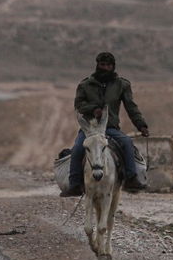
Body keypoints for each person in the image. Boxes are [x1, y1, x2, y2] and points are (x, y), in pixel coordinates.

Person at [60, 51, 150, 197]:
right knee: (77, 149)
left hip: (110, 128)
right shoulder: (85, 85)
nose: (105, 68)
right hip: (89, 129)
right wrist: (93, 109)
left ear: (113, 66)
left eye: (108, 65)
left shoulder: (122, 85)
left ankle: (131, 179)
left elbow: (131, 107)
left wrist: (141, 125)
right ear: (97, 65)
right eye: (102, 65)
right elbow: (79, 105)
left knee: (127, 143)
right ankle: (75, 184)